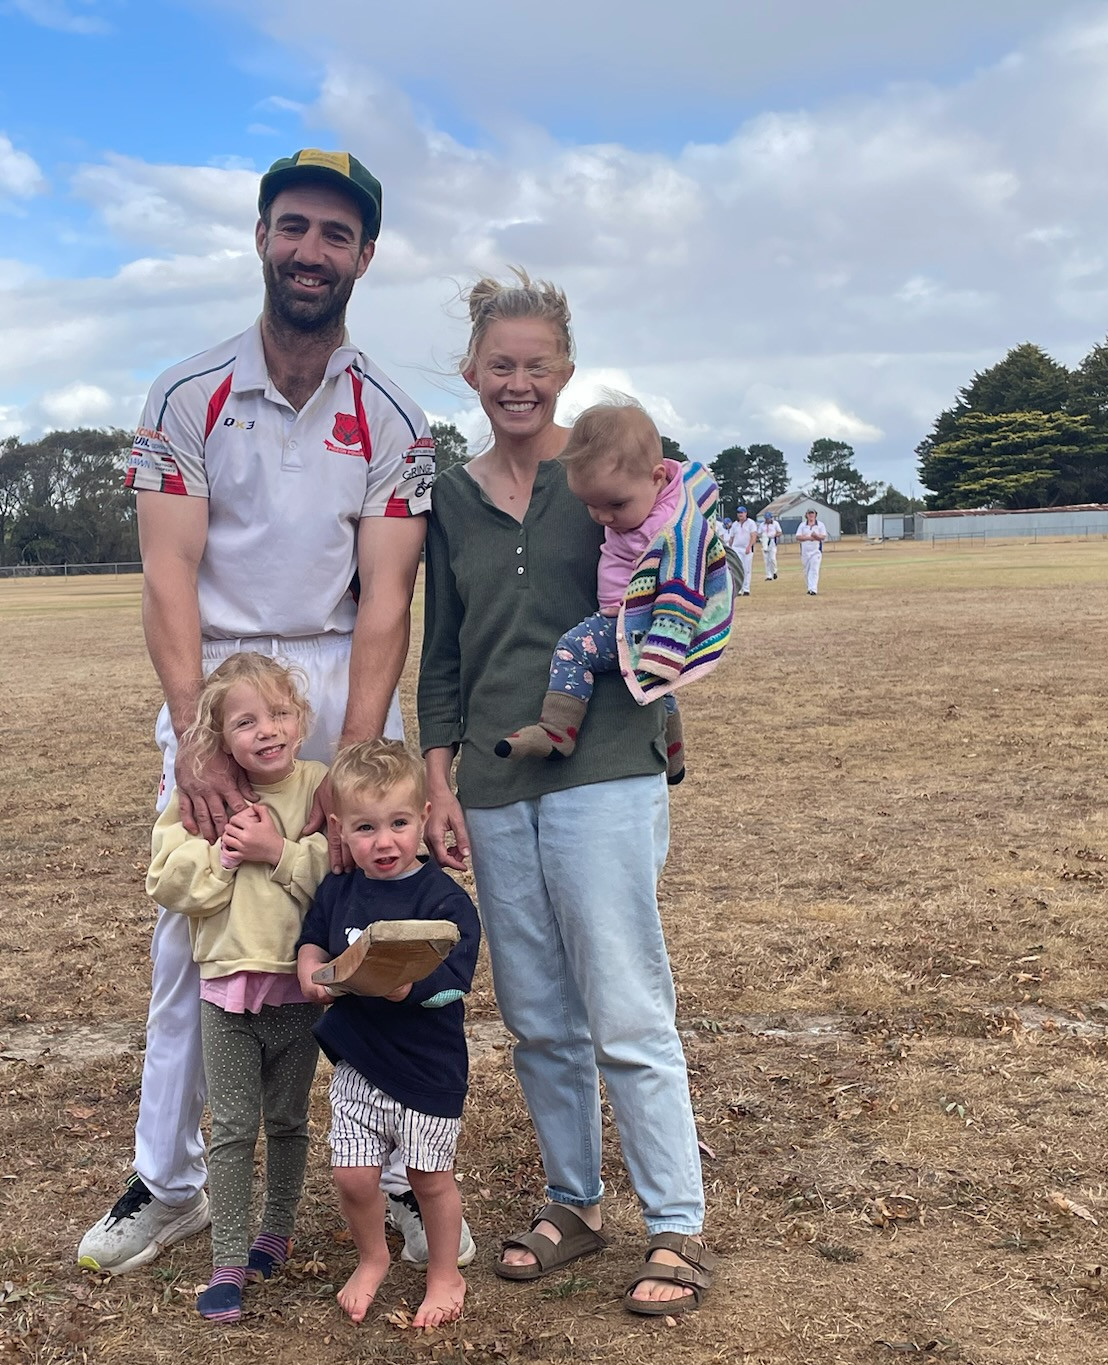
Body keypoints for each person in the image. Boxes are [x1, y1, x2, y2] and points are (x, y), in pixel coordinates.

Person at [78, 147, 474, 1277]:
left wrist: (354, 760)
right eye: (293, 227)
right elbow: (167, 576)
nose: (311, 251)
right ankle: (171, 1180)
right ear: (260, 237)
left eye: (335, 236)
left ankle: (399, 1177)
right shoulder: (185, 392)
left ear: (363, 256)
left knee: (363, 927)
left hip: (341, 677)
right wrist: (199, 735)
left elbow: (386, 589)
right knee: (195, 940)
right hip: (218, 682)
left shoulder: (393, 413)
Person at [418, 270, 720, 1316]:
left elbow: (684, 568)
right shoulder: (448, 496)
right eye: (498, 364)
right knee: (539, 1017)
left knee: (625, 1006)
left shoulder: (607, 472)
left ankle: (674, 1225)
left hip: (602, 769)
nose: (516, 382)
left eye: (534, 364)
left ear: (563, 371)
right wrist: (436, 774)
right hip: (495, 781)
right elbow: (443, 647)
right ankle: (574, 1205)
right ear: (470, 372)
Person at [144, 654, 330, 1323]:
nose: (267, 730)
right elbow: (165, 879)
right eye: (246, 720)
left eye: (279, 713)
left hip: (300, 996)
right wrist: (223, 854)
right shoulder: (201, 800)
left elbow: (342, 874)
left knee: (286, 1121)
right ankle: (227, 1258)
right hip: (225, 994)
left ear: (302, 720)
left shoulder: (319, 788)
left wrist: (278, 851)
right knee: (230, 1129)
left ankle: (273, 1233)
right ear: (220, 738)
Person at [295, 740, 482, 1329]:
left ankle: (444, 1272)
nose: (384, 841)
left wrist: (401, 985)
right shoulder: (340, 889)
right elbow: (315, 938)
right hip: (359, 1063)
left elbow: (455, 983)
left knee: (430, 1179)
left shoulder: (444, 900)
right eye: (365, 827)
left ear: (423, 818)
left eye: (399, 824)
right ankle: (373, 1257)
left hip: (427, 1070)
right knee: (352, 1174)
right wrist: (310, 970)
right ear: (339, 830)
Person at [493, 399, 733, 787]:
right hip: (635, 620)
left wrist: (663, 652)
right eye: (591, 505)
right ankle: (672, 752)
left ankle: (557, 730)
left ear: (656, 477)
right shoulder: (661, 492)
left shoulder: (671, 532)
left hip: (635, 622)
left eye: (616, 504)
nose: (604, 517)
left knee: (573, 650)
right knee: (654, 690)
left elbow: (680, 589)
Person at [722, 507, 758, 595]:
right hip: (736, 548)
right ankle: (739, 589)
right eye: (738, 513)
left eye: (742, 513)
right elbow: (731, 538)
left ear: (745, 513)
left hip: (746, 548)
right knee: (737, 569)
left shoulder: (751, 523)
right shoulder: (735, 524)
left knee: (746, 569)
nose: (740, 514)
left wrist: (749, 546)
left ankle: (746, 589)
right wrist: (729, 549)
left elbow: (753, 536)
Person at [796, 507, 828, 595]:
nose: (811, 515)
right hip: (805, 552)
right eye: (809, 513)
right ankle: (809, 588)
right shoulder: (802, 525)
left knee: (814, 569)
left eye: (812, 513)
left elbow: (823, 537)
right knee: (806, 571)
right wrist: (809, 537)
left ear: (815, 515)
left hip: (816, 551)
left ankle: (813, 589)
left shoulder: (820, 525)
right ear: (806, 515)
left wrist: (816, 536)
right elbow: (798, 537)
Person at [759, 512, 781, 580]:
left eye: (768, 518)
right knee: (766, 559)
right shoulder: (762, 525)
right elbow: (759, 533)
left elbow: (779, 532)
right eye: (766, 518)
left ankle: (774, 571)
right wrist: (762, 538)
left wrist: (774, 535)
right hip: (765, 541)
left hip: (772, 541)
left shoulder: (775, 524)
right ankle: (768, 575)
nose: (767, 520)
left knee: (772, 558)